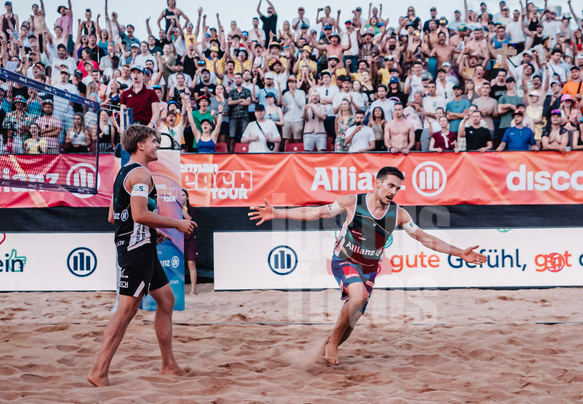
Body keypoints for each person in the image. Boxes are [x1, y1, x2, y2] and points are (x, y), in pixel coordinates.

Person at [249, 166, 487, 365]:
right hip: (344, 260)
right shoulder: (353, 202)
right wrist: (277, 213)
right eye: (390, 186)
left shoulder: (399, 214)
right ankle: (331, 343)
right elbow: (316, 213)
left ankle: (326, 346)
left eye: (398, 188)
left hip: (369, 269)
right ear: (377, 183)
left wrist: (459, 253)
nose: (393, 191)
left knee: (351, 322)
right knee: (358, 296)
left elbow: (425, 238)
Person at [88, 124, 197, 387]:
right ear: (141, 145)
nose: (157, 145)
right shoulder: (140, 175)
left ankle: (169, 365)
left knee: (167, 300)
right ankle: (99, 372)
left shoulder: (123, 173)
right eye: (153, 141)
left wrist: (151, 233)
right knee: (126, 311)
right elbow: (137, 215)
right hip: (136, 251)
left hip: (142, 245)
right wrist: (176, 224)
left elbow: (115, 216)